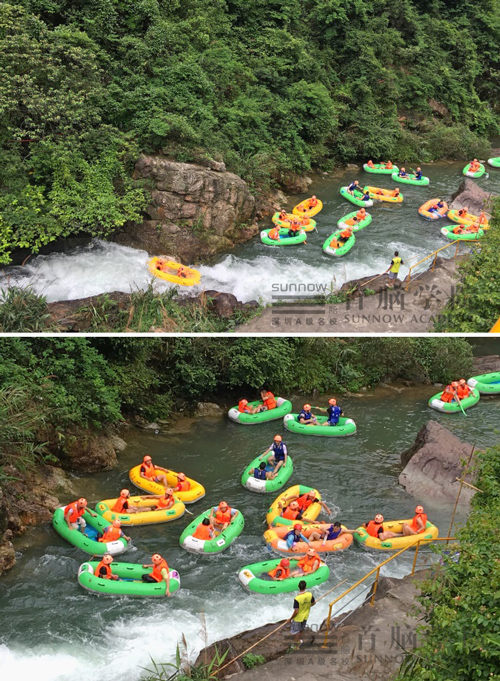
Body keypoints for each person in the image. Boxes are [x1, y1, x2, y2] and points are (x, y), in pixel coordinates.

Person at [288, 580, 316, 649]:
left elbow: (296, 611)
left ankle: (295, 646)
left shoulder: (297, 598)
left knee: (296, 632)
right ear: (305, 587)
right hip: (305, 615)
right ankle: (298, 641)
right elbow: (313, 603)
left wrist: (290, 619)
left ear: (298, 587)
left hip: (298, 618)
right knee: (301, 629)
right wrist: (307, 606)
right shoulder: (309, 594)